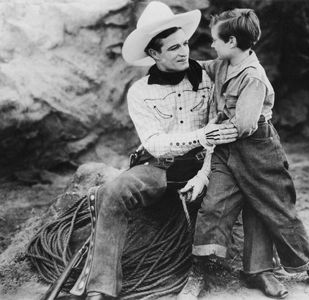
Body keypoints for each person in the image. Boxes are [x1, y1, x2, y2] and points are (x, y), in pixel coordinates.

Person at [62, 2, 238, 300]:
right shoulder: (140, 91)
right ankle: (101, 288)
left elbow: (218, 132)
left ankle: (201, 273)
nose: (184, 52)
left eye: (184, 44)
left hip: (202, 166)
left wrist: (206, 173)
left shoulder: (209, 80)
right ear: (154, 54)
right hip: (159, 166)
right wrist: (199, 135)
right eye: (173, 48)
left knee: (223, 200)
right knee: (114, 191)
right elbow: (154, 142)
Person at [178, 8, 309, 300]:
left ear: (232, 41)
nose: (212, 45)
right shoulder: (224, 63)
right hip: (227, 152)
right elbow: (200, 66)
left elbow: (244, 125)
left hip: (258, 148)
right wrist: (172, 60)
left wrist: (207, 135)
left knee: (277, 211)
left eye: (215, 40)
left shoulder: (254, 77)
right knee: (214, 206)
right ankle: (199, 271)